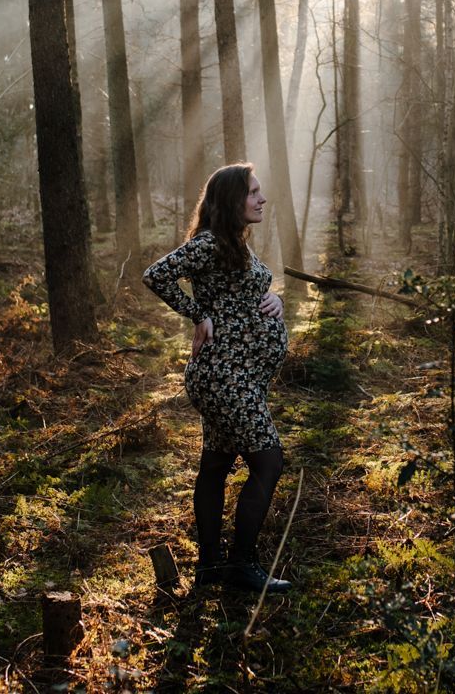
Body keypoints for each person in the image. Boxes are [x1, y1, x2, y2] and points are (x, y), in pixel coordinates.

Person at [142, 163, 293, 594]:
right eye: (253, 192)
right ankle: (242, 566)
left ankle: (209, 566)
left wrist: (275, 298)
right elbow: (156, 275)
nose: (261, 199)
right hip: (225, 376)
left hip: (237, 375)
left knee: (217, 463)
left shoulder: (231, 245)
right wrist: (197, 314)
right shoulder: (209, 243)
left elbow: (250, 292)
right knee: (268, 461)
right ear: (231, 199)